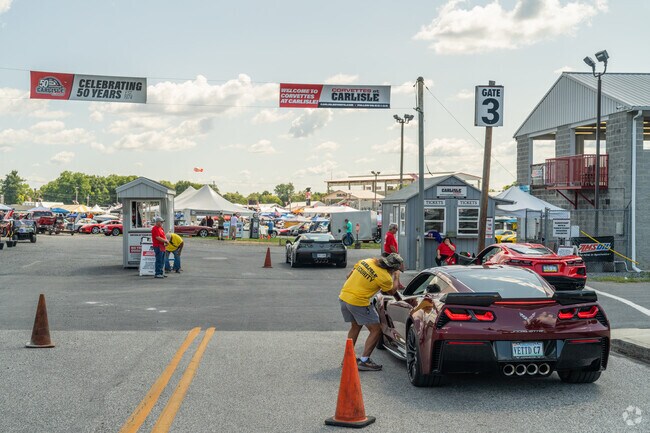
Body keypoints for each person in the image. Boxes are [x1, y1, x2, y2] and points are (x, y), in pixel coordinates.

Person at [339, 253, 403, 371]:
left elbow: (348, 276)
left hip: (344, 297)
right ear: (393, 269)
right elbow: (392, 292)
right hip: (358, 302)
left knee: (355, 327)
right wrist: (396, 277)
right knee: (376, 330)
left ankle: (346, 359)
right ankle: (364, 361)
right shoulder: (385, 277)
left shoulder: (367, 261)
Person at [383, 223, 404, 289]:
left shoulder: (388, 234)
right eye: (396, 229)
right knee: (394, 270)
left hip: (388, 254)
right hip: (391, 255)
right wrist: (396, 254)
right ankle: (392, 285)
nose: (397, 230)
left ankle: (398, 284)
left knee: (394, 270)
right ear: (393, 228)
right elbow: (391, 246)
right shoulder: (390, 236)